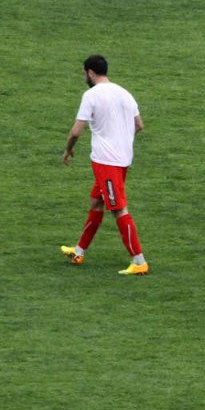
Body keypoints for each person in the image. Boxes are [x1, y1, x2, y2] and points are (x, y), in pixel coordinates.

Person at [60, 55, 149, 275]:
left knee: (118, 209)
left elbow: (76, 132)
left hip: (107, 162)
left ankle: (139, 261)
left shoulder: (91, 95)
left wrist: (68, 149)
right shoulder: (125, 93)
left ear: (90, 73)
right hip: (122, 159)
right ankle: (79, 251)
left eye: (84, 74)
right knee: (96, 202)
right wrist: (121, 139)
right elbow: (139, 125)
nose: (84, 78)